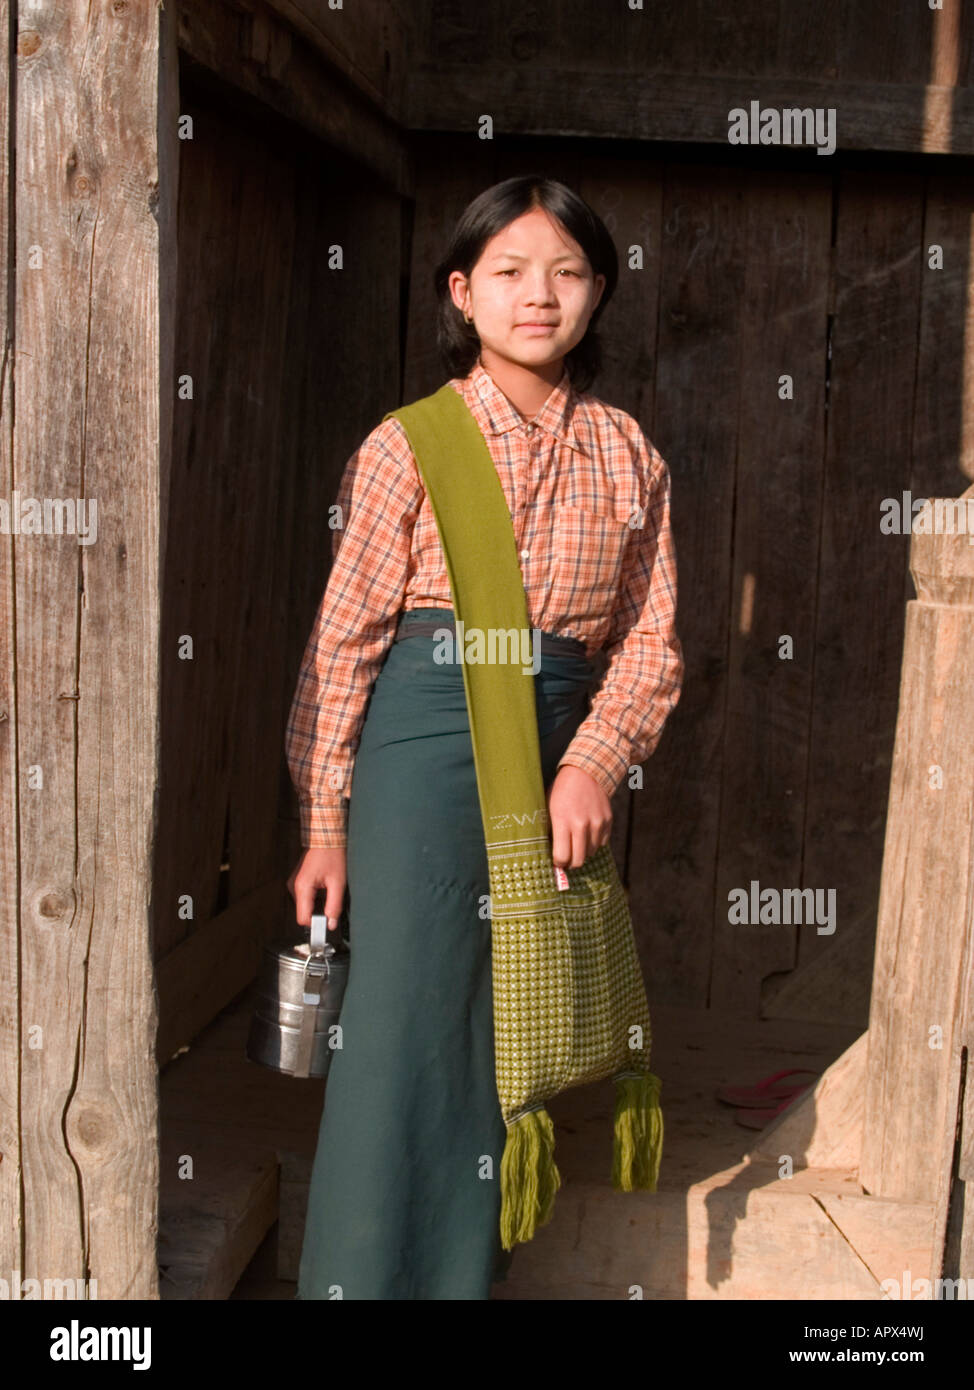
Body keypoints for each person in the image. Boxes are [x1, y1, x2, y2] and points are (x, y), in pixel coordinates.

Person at [284, 174, 684, 1300]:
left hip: (555, 762)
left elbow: (650, 645)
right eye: (507, 272)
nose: (537, 296)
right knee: (408, 1028)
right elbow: (342, 650)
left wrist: (595, 759)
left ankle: (461, 1281)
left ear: (599, 291)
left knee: (515, 1022)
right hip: (418, 756)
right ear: (462, 294)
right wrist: (325, 824)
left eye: (565, 271)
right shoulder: (409, 447)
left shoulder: (626, 457)